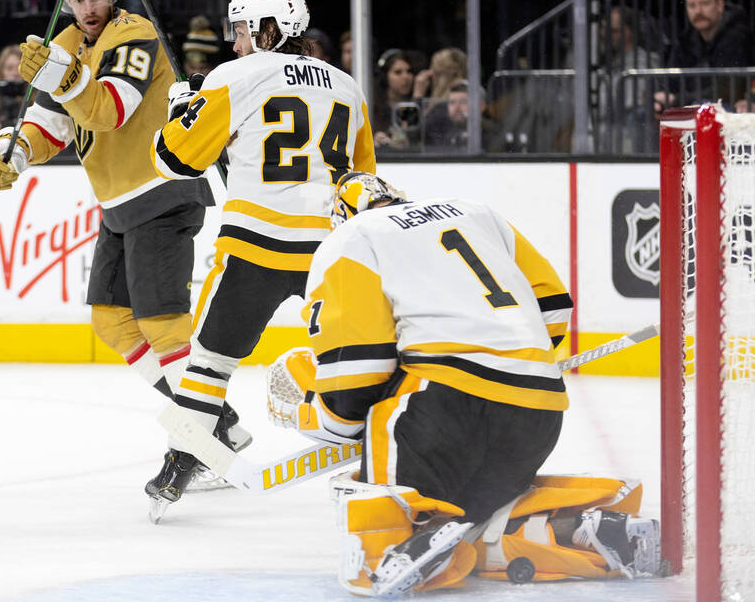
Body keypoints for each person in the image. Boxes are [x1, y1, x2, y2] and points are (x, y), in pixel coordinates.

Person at [267, 171, 658, 594]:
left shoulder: (351, 238)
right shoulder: (477, 214)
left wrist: (314, 411)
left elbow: (358, 375)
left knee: (385, 513)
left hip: (444, 411)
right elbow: (554, 309)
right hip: (539, 410)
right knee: (477, 523)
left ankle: (400, 544)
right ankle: (582, 526)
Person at [0, 0, 247, 494]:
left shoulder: (135, 33)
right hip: (119, 204)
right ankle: (221, 425)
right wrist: (13, 150)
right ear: (65, 1)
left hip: (164, 190)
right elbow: (51, 125)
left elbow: (108, 110)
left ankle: (202, 446)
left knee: (162, 322)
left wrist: (63, 74)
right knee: (110, 319)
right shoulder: (66, 46)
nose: (87, 6)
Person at [147, 0, 375, 512]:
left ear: (270, 28)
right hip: (333, 249)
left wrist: (182, 110)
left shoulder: (235, 76)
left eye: (242, 29)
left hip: (256, 246)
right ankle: (387, 445)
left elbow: (174, 161)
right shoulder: (348, 86)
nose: (234, 42)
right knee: (361, 354)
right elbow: (364, 178)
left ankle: (184, 462)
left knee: (208, 362)